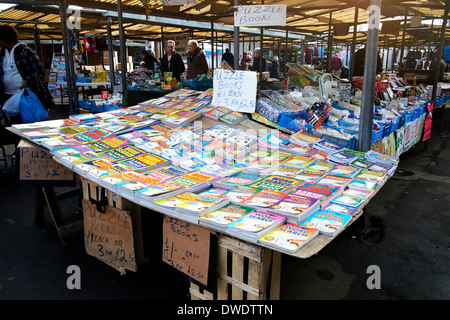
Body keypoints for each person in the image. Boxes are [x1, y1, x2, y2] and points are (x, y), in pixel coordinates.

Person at [0, 25, 45, 122]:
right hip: (7, 96)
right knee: (11, 125)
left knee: (26, 123)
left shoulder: (25, 51)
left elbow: (40, 71)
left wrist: (28, 80)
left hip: (25, 97)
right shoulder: (2, 54)